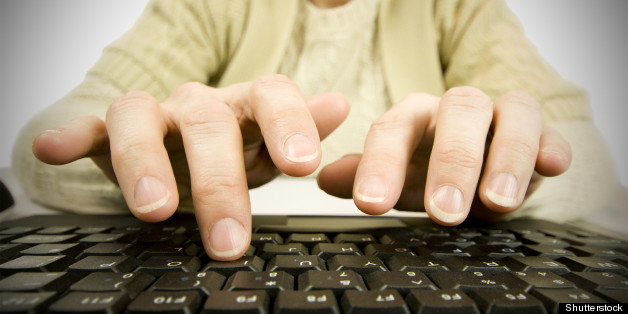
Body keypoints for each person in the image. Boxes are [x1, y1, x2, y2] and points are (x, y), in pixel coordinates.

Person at [12, 0, 618, 261]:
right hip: (214, 253)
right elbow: (53, 140)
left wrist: (511, 176)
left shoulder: (459, 8)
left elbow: (585, 149)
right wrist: (138, 164)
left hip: (434, 252)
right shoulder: (206, 7)